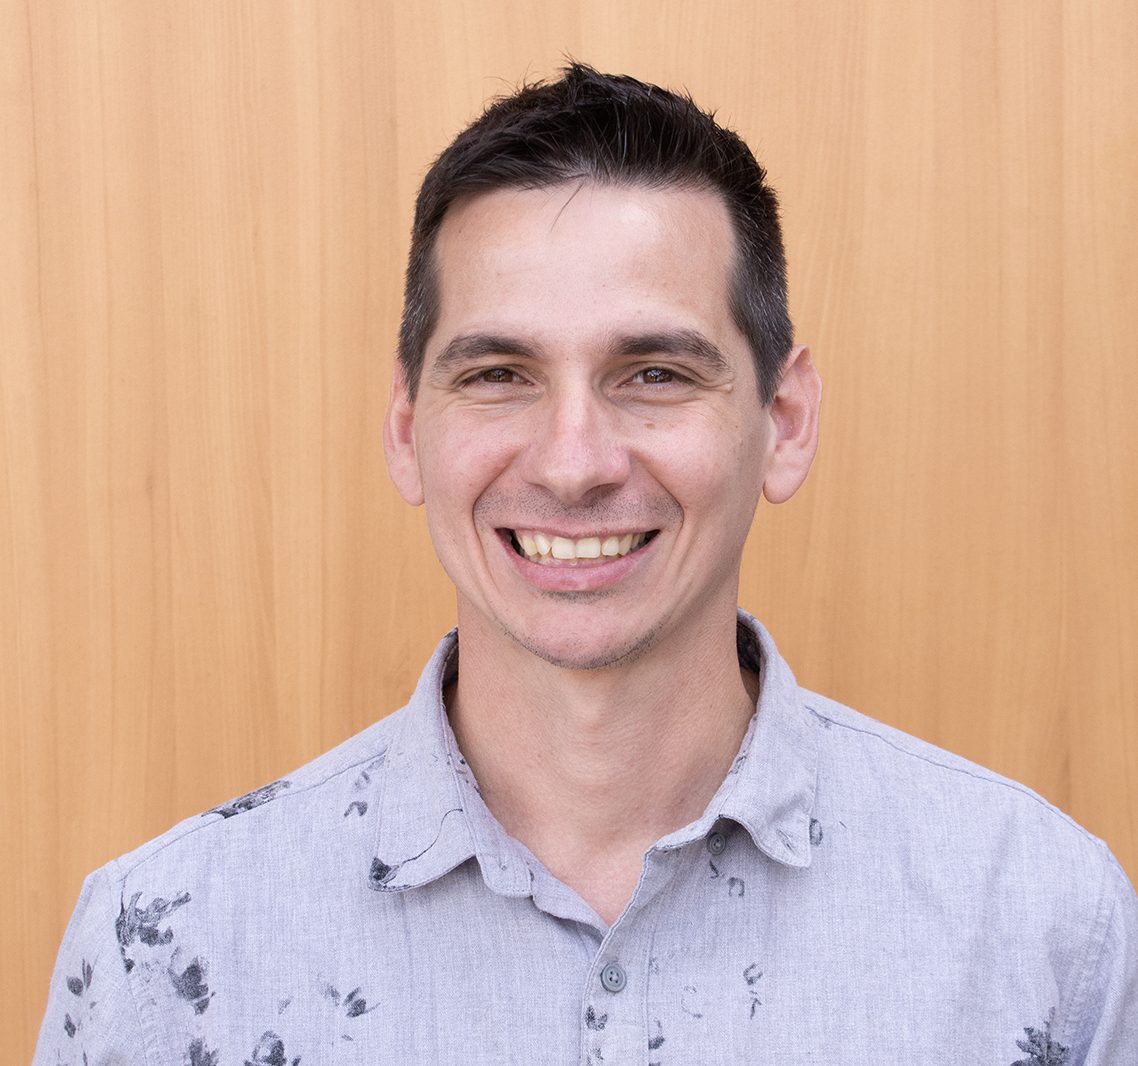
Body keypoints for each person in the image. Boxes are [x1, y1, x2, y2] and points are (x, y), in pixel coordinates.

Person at [35, 63, 1136, 1065]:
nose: (572, 465)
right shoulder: (165, 952)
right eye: (498, 374)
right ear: (407, 428)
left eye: (654, 373)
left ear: (785, 422)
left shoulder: (1041, 924)